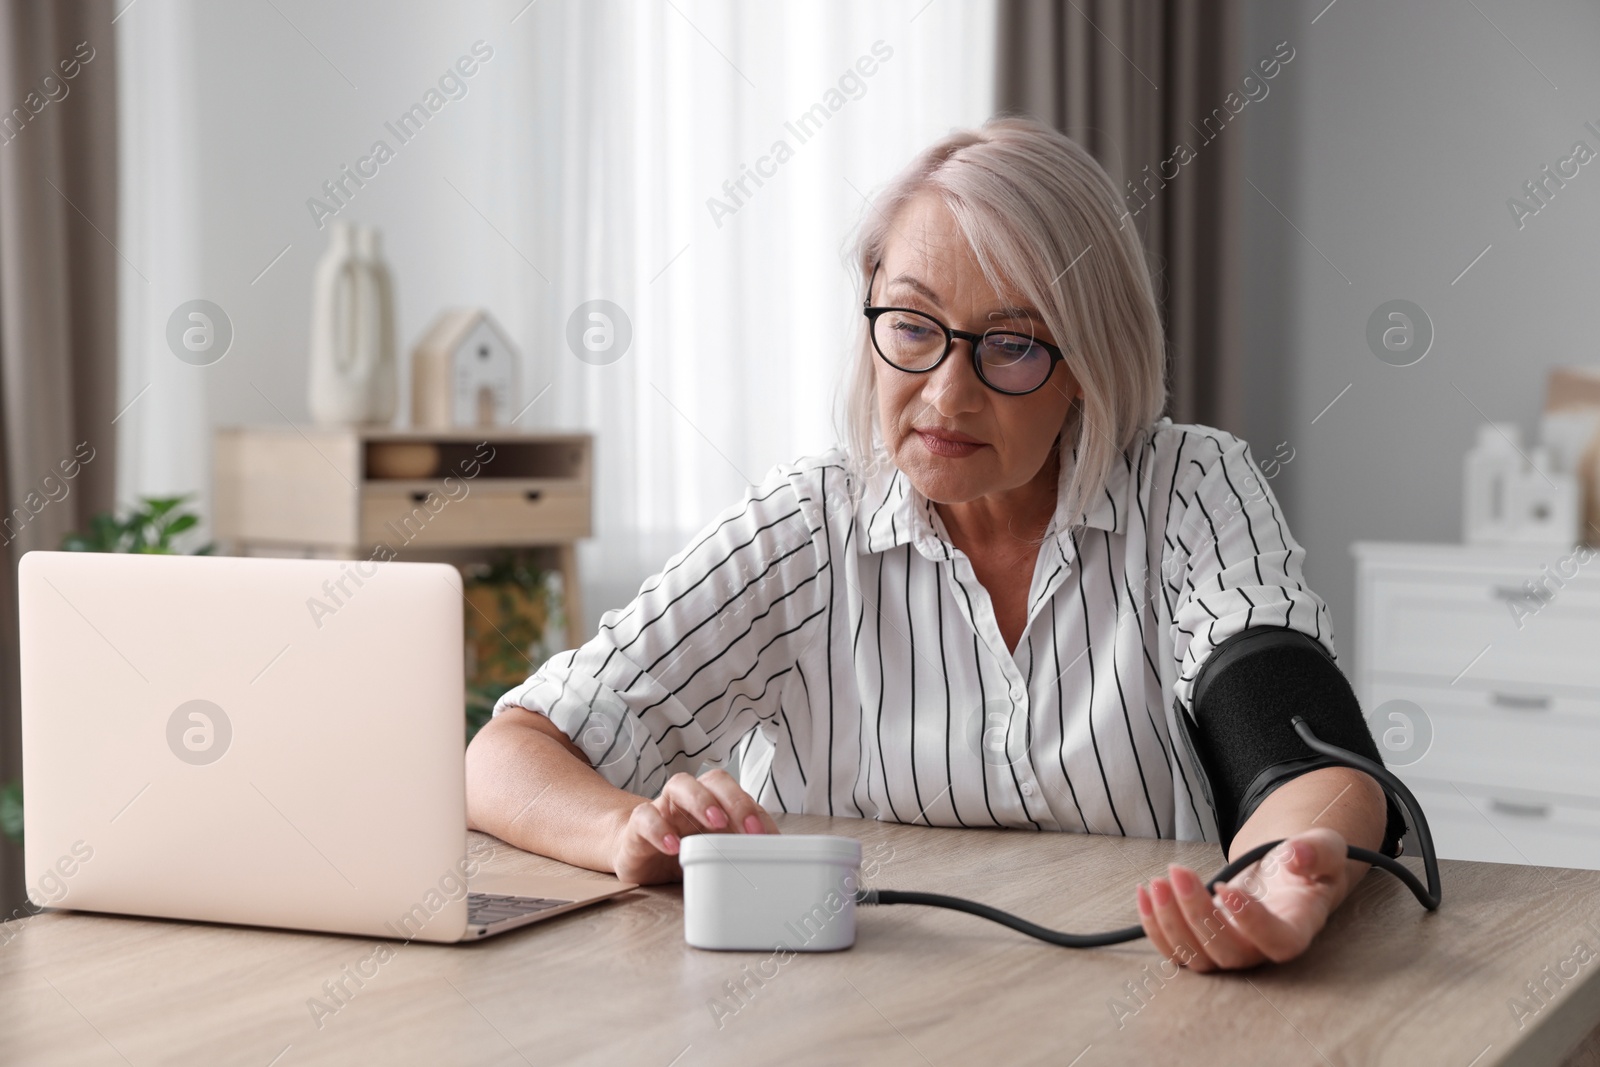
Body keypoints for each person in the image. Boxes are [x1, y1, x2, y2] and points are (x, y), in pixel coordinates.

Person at [466, 115, 1403, 972]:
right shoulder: (805, 527)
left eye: (1011, 344)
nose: (948, 396)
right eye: (912, 326)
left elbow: (1300, 750)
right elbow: (512, 748)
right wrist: (627, 829)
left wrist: (1286, 875)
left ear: (1088, 362)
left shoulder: (1190, 486)